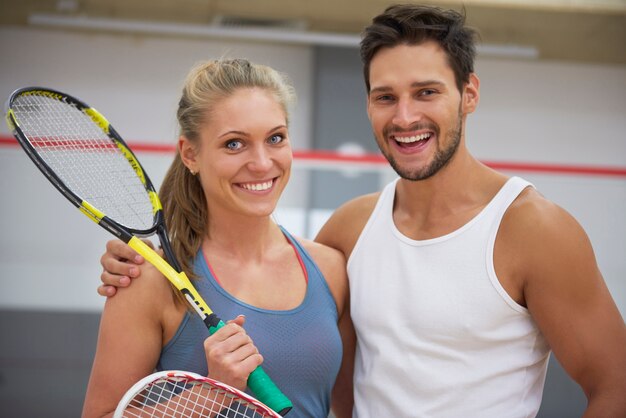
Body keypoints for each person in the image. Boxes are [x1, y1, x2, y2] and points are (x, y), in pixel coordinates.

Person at [98, 4, 626, 417]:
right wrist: (134, 266)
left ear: (469, 94)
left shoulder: (536, 230)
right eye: (385, 96)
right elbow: (346, 392)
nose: (405, 116)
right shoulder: (347, 234)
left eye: (426, 92)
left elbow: (617, 389)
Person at [83, 58, 354, 418]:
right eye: (234, 144)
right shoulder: (147, 280)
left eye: (275, 138)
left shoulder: (331, 269)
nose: (261, 163)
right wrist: (213, 391)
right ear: (191, 154)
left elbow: (351, 406)